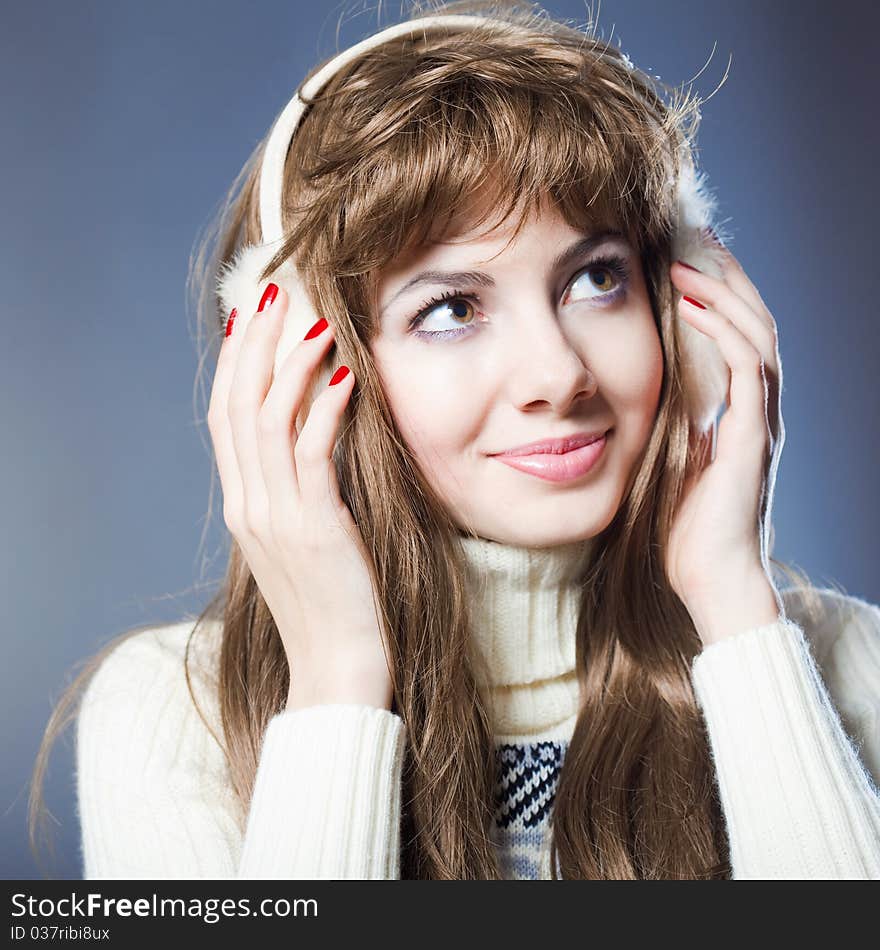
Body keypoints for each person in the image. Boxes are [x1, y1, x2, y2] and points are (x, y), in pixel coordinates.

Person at [29, 0, 880, 880]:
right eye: (452, 309)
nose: (558, 374)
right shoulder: (175, 711)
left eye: (596, 278)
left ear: (682, 304)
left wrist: (735, 606)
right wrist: (338, 680)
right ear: (301, 365)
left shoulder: (845, 667)